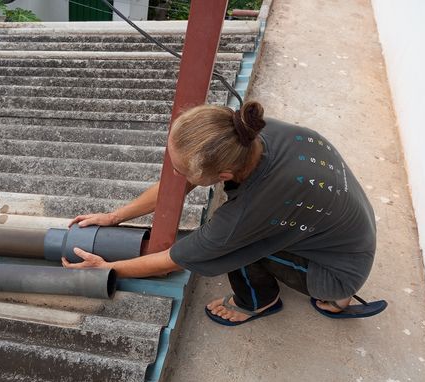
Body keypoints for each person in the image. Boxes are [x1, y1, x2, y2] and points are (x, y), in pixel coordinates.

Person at [63, 101, 387, 325]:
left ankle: (258, 302)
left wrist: (108, 268)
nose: (174, 175)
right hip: (348, 229)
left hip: (336, 272)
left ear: (224, 176)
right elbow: (177, 187)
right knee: (249, 234)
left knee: (238, 250)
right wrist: (116, 216)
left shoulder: (246, 214)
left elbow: (175, 258)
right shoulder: (247, 134)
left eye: (180, 170)